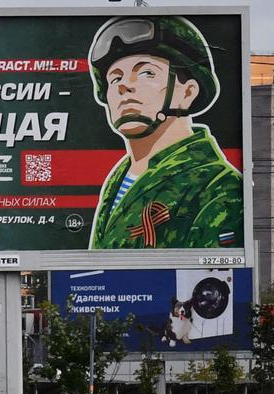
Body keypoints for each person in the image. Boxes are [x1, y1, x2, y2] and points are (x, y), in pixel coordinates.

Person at [86, 16, 243, 250]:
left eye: (146, 73)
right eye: (115, 77)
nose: (123, 85)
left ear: (187, 93)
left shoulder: (219, 188)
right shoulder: (117, 180)